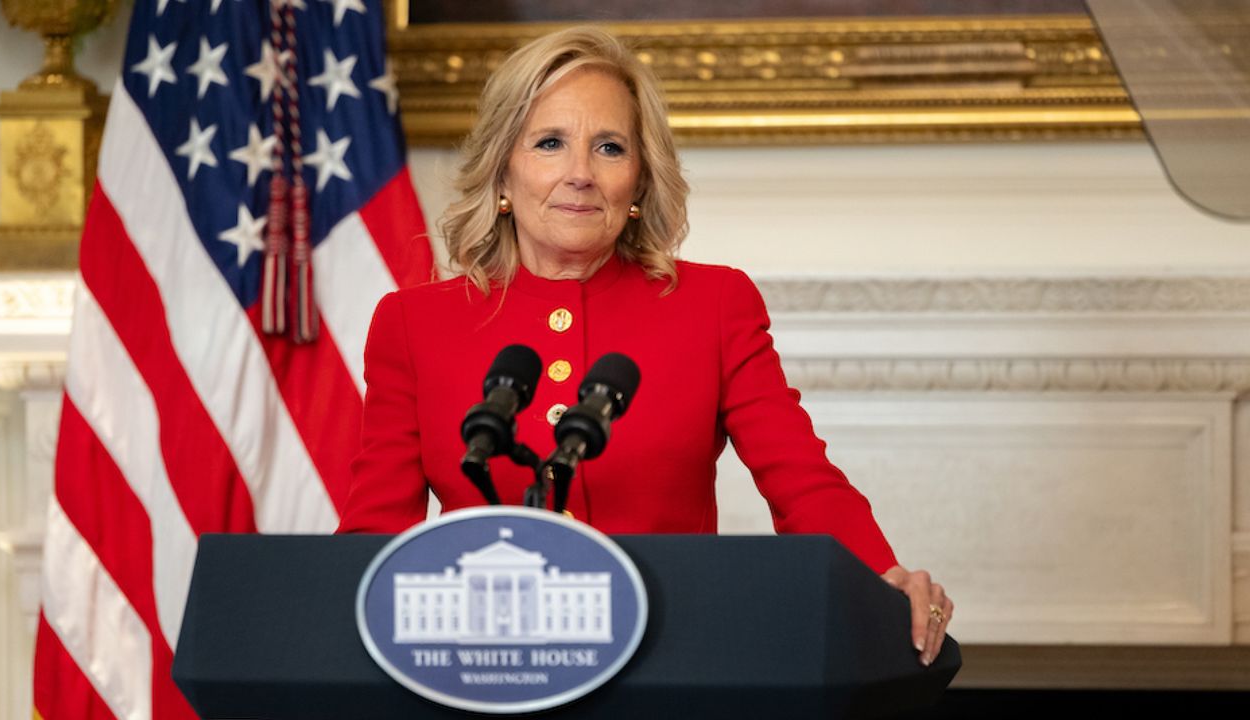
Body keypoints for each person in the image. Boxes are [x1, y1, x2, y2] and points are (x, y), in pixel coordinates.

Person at [338, 26, 953, 665]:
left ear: (638, 181)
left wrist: (880, 576)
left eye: (609, 147)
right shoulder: (413, 323)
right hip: (485, 666)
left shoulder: (714, 305)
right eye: (550, 143)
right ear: (502, 172)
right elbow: (374, 537)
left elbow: (801, 479)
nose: (579, 174)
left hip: (676, 659)